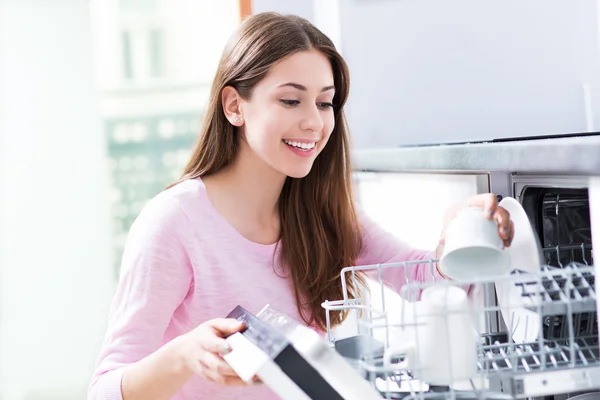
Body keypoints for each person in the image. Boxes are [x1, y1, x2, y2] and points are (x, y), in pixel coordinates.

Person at [88, 12, 514, 400]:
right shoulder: (174, 223)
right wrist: (182, 355)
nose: (314, 122)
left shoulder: (319, 210)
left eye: (325, 102)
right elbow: (103, 390)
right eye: (291, 100)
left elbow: (426, 282)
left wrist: (458, 232)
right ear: (235, 106)